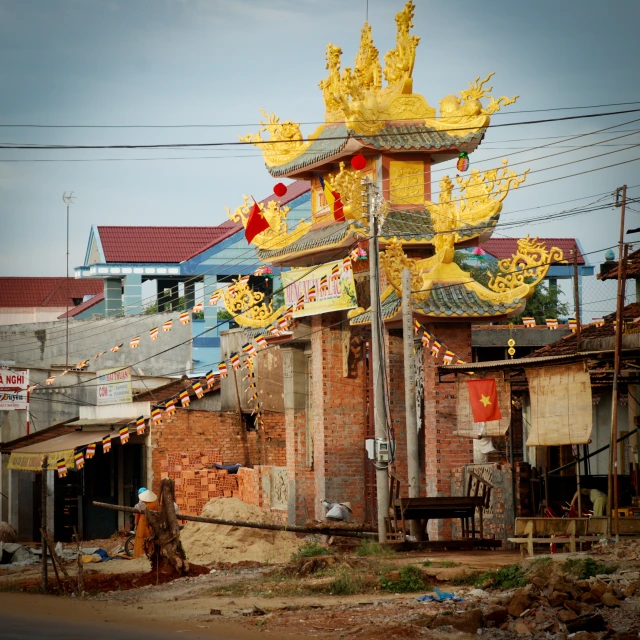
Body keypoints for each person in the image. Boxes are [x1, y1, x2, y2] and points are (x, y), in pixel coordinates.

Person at [133, 489, 159, 558]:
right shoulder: (156, 504)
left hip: (142, 525)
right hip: (151, 525)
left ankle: (139, 555)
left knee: (141, 540)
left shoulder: (140, 504)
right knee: (151, 539)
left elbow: (137, 517)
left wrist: (136, 524)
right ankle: (150, 554)